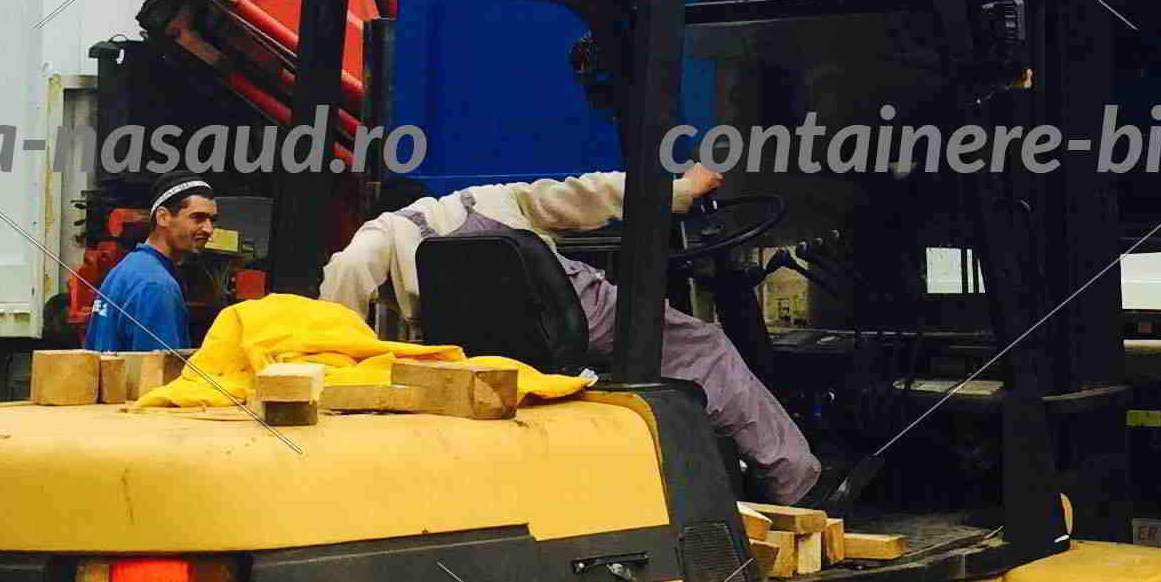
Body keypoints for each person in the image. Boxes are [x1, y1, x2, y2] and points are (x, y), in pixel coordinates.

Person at [320, 163, 822, 504]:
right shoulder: (485, 199)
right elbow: (590, 194)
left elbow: (345, 273)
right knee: (704, 347)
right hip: (577, 315)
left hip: (488, 354)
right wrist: (683, 190)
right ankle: (796, 481)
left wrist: (333, 356)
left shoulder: (381, 235)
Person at [85, 181, 214, 356]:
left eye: (212, 220)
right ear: (163, 217)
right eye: (198, 218)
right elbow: (158, 369)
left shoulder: (124, 270)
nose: (209, 229)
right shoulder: (156, 286)